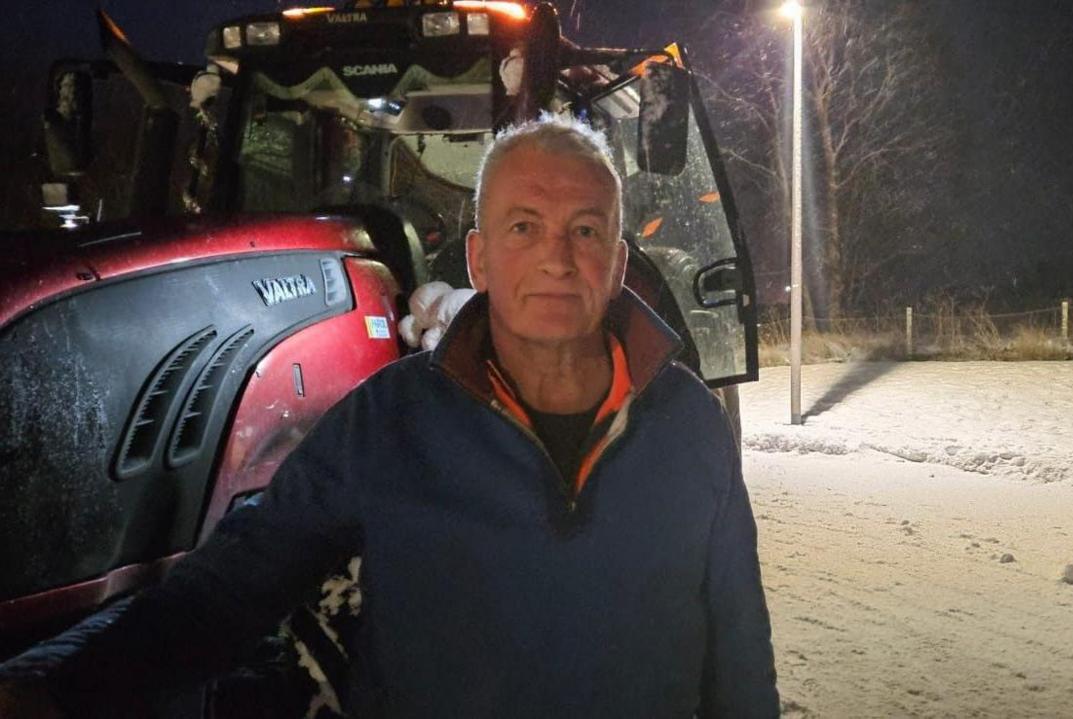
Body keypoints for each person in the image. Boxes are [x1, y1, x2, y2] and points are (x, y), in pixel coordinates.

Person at [0, 115, 777, 718]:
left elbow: (740, 654)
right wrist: (66, 693)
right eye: (523, 227)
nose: (557, 256)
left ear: (617, 261)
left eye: (585, 229)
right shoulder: (390, 420)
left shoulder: (688, 426)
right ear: (477, 259)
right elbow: (234, 587)